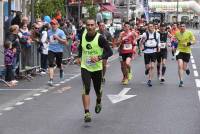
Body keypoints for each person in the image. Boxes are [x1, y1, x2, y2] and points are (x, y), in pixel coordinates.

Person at [76, 18, 113, 122]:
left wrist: (99, 57)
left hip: (97, 68)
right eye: (88, 25)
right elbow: (80, 47)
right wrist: (78, 57)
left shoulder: (100, 38)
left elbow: (110, 52)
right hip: (85, 67)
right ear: (86, 26)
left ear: (95, 26)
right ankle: (87, 113)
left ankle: (98, 100)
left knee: (98, 90)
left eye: (92, 25)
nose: (90, 27)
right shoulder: (83, 34)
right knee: (86, 89)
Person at [47, 19, 68, 86]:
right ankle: (51, 80)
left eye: (54, 24)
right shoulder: (49, 31)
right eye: (52, 24)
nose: (53, 25)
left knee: (58, 64)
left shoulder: (61, 32)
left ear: (57, 25)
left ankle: (61, 69)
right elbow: (48, 38)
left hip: (59, 50)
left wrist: (58, 38)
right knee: (50, 64)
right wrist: (47, 41)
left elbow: (65, 42)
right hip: (51, 49)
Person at [175, 22, 195, 87]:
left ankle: (186, 68)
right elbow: (175, 39)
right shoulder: (177, 33)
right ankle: (181, 81)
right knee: (180, 66)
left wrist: (188, 44)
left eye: (183, 26)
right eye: (181, 26)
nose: (182, 27)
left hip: (187, 51)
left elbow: (194, 41)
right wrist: (174, 41)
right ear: (179, 27)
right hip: (179, 51)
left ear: (185, 27)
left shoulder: (189, 33)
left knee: (183, 67)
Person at [140, 22, 160, 87]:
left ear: (154, 27)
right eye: (149, 27)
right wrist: (141, 47)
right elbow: (140, 42)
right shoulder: (144, 34)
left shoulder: (157, 34)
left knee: (152, 66)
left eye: (151, 26)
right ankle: (147, 69)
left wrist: (159, 48)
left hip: (154, 51)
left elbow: (158, 42)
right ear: (147, 28)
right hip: (146, 52)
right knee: (148, 66)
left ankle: (149, 80)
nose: (150, 28)